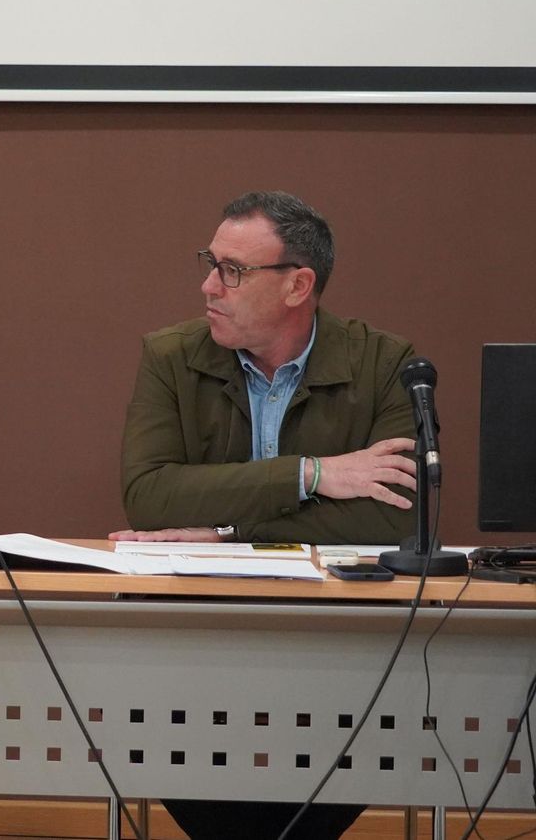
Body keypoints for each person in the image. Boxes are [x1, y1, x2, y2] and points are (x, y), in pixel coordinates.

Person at [110, 191, 418, 839]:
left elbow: (393, 522)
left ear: (298, 285)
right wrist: (314, 476)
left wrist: (226, 531)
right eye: (211, 263)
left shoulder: (387, 365)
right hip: (197, 646)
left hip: (343, 651)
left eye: (232, 270)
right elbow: (150, 496)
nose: (208, 286)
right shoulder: (171, 358)